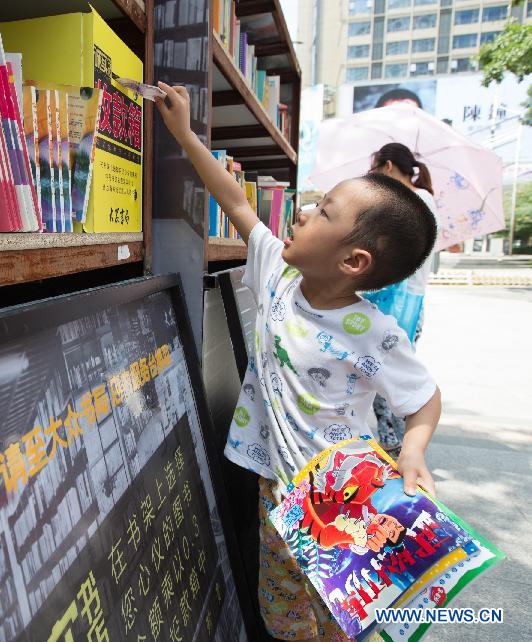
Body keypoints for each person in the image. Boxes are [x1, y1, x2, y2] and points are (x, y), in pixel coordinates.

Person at [155, 82, 441, 642]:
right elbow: (235, 203)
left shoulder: (373, 332)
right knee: (283, 603)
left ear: (353, 260)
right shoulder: (277, 273)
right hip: (277, 488)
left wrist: (412, 451)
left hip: (343, 498)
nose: (304, 211)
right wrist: (185, 135)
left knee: (342, 609)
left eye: (322, 211)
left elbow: (422, 397)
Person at [364, 143, 440, 457]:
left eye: (377, 170)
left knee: (384, 372)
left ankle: (394, 447)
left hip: (400, 300)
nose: (376, 177)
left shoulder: (415, 200)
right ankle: (392, 444)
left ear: (390, 165)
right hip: (405, 299)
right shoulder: (422, 199)